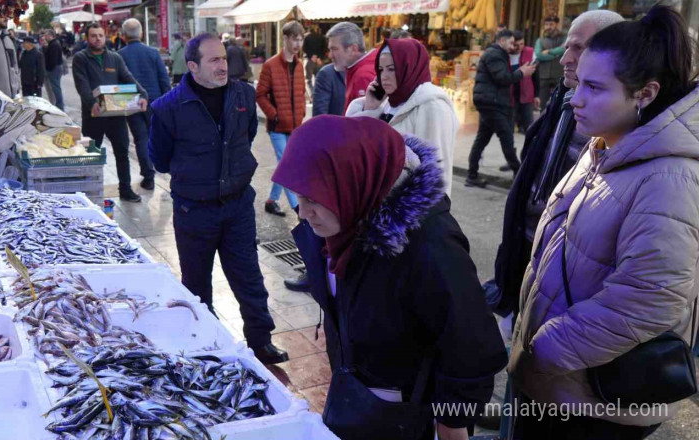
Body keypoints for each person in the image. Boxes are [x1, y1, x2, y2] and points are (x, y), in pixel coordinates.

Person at [509, 6, 699, 439]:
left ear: (645, 94)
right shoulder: (607, 146)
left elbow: (652, 298)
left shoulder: (668, 177)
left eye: (595, 88)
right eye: (581, 84)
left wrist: (547, 349)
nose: (575, 98)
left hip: (598, 405)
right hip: (563, 387)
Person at [273, 116, 507, 440]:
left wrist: (452, 425)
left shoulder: (429, 246)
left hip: (407, 416)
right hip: (355, 393)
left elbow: (472, 348)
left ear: (353, 183)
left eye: (313, 198)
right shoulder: (336, 228)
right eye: (299, 196)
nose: (302, 211)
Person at [148, 33, 289, 365]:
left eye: (223, 58)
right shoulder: (168, 107)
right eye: (213, 60)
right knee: (196, 283)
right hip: (193, 209)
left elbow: (247, 137)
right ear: (192, 66)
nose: (222, 65)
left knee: (249, 277)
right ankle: (205, 341)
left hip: (238, 205)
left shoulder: (242, 95)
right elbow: (160, 159)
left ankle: (260, 340)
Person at [491, 10, 622, 324]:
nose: (566, 58)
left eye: (578, 48)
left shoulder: (615, 124)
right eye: (566, 47)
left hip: (563, 268)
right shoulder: (563, 99)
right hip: (528, 245)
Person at [345, 38, 458, 196]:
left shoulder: (431, 105)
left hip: (409, 211)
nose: (384, 76)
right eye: (381, 69)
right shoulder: (388, 103)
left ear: (408, 67)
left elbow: (436, 171)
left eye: (391, 69)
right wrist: (370, 108)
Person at [72, 23, 148, 203]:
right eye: (93, 36)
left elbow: (129, 78)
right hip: (94, 116)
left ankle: (125, 189)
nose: (97, 39)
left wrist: (143, 94)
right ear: (87, 38)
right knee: (91, 156)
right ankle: (89, 192)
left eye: (100, 35)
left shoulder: (115, 58)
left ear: (104, 37)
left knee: (122, 153)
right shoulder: (80, 58)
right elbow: (82, 85)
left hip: (116, 115)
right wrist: (92, 103)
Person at [466, 30, 536, 188]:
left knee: (482, 139)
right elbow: (502, 78)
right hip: (491, 103)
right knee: (506, 137)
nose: (513, 46)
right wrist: (521, 73)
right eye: (511, 43)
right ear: (501, 41)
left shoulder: (498, 54)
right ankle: (520, 175)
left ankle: (472, 175)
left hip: (490, 102)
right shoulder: (495, 54)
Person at [256, 20, 306, 217]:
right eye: (295, 39)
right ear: (285, 39)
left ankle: (271, 201)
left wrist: (301, 113)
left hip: (295, 126)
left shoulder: (300, 65)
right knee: (287, 165)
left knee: (284, 164)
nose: (298, 44)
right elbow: (260, 94)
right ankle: (298, 209)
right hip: (277, 126)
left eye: (301, 40)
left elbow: (300, 92)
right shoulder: (270, 65)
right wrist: (274, 114)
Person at [117, 18, 169, 192]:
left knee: (141, 139)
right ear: (141, 33)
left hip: (131, 103)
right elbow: (164, 79)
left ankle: (149, 177)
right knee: (159, 138)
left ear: (124, 36)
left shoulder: (120, 55)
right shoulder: (153, 53)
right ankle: (167, 170)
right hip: (155, 102)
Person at [326, 22, 376, 109]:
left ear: (353, 49)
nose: (330, 55)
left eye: (334, 49)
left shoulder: (362, 76)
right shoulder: (359, 70)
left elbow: (363, 120)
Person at [509, 31, 539, 136]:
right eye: (516, 45)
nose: (519, 47)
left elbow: (536, 76)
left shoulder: (530, 52)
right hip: (510, 96)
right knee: (509, 128)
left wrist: (536, 95)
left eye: (522, 44)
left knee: (529, 127)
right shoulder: (505, 53)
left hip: (527, 94)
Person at [534, 16, 566, 108]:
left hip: (558, 74)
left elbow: (563, 49)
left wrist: (548, 51)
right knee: (542, 104)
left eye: (551, 24)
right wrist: (554, 56)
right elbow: (538, 55)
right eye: (546, 24)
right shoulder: (540, 40)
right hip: (543, 76)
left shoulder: (563, 38)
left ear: (556, 25)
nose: (548, 27)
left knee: (559, 103)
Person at [43, 30, 66, 110]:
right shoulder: (53, 44)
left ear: (51, 35)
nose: (45, 37)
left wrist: (49, 69)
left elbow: (53, 60)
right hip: (55, 68)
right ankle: (59, 105)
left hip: (54, 69)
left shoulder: (54, 45)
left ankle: (60, 106)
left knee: (56, 88)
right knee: (55, 88)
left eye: (46, 35)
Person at [302, 25, 327, 97]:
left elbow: (304, 48)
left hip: (310, 60)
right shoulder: (321, 37)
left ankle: (312, 95)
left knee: (308, 79)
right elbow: (325, 49)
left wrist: (311, 56)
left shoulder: (306, 37)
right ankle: (318, 94)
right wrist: (319, 57)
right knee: (318, 78)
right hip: (319, 61)